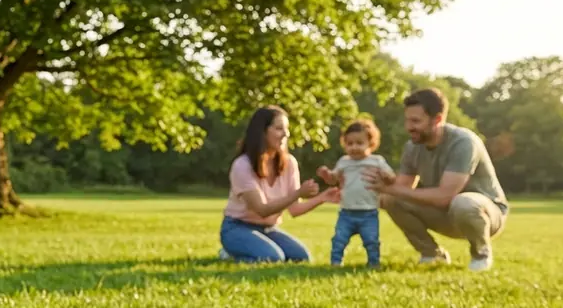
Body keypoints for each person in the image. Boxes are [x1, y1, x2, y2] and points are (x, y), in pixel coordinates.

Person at [363, 88, 510, 272]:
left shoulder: (463, 142)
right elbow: (401, 190)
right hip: (447, 212)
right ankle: (432, 254)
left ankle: (481, 254)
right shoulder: (413, 146)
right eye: (407, 120)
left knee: (463, 203)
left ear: (438, 119)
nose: (408, 127)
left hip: (485, 214)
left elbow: (445, 196)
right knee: (391, 200)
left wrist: (392, 189)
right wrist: (387, 183)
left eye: (416, 121)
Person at [218, 106, 333, 263]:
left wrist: (323, 197)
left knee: (302, 258)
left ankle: (250, 250)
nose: (286, 134)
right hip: (237, 228)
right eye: (279, 128)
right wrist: (298, 193)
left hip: (268, 229)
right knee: (274, 258)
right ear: (262, 132)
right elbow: (262, 210)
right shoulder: (243, 165)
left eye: (286, 129)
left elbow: (295, 209)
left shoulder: (289, 163)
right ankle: (229, 253)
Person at [315, 118, 394, 268]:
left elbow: (391, 178)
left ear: (371, 143)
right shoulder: (344, 162)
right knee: (339, 239)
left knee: (371, 240)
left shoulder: (377, 161)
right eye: (349, 144)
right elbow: (334, 179)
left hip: (369, 212)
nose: (354, 147)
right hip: (346, 212)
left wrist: (386, 177)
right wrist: (327, 175)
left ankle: (373, 263)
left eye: (359, 143)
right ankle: (336, 263)